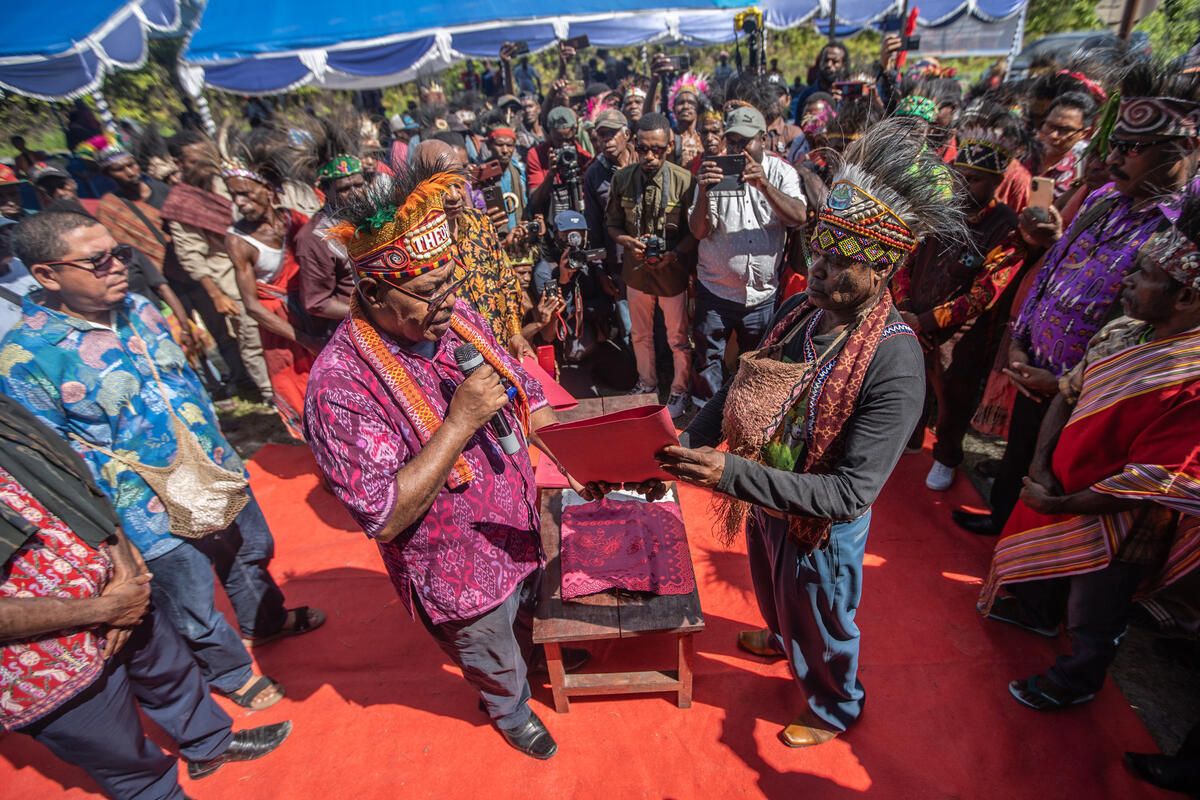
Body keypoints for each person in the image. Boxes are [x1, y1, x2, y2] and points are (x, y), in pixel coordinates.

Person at [657, 118, 964, 748]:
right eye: (820, 253)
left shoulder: (896, 362)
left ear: (882, 273)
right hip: (771, 494)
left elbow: (851, 494)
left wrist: (733, 474)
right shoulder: (802, 309)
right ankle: (778, 637)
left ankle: (835, 703)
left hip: (821, 522)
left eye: (841, 263)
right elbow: (745, 383)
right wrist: (690, 437)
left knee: (822, 610)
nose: (820, 271)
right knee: (775, 587)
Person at [305, 160, 619, 759]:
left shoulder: (453, 315)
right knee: (488, 645)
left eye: (452, 282)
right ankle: (508, 706)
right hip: (457, 569)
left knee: (530, 604)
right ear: (370, 292)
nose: (450, 302)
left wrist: (580, 458)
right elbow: (385, 515)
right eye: (428, 293)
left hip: (518, 522)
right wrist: (460, 423)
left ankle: (533, 649)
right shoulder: (337, 387)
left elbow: (524, 393)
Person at [0, 211, 324, 713]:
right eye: (98, 260)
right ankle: (229, 670)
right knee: (188, 593)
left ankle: (265, 620)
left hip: (213, 466)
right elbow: (52, 457)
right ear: (47, 275)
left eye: (120, 253)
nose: (117, 266)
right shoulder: (24, 358)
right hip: (141, 502)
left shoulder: (141, 309)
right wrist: (108, 531)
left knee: (249, 550)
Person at [0, 393, 292, 799]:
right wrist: (103, 608)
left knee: (169, 674)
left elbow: (73, 478)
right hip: (43, 655)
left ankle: (209, 745)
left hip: (119, 589)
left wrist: (123, 565)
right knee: (119, 754)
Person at [978, 186, 1200, 712]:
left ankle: (1078, 677)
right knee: (1055, 569)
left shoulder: (1190, 375)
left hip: (1124, 520)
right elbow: (1068, 393)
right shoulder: (1123, 330)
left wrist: (1061, 500)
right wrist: (1040, 466)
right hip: (1063, 486)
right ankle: (1036, 610)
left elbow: (1160, 478)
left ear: (1187, 297)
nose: (1125, 280)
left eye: (1143, 275)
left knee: (1096, 609)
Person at [953, 66, 1200, 537]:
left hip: (1093, 392)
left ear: (1182, 149)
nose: (1113, 156)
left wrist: (1065, 380)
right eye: (1115, 143)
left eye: (1132, 148)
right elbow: (1051, 269)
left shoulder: (1181, 226)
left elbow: (1154, 328)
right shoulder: (1104, 197)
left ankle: (1030, 575)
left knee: (1060, 482)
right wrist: (1019, 341)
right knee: (1018, 462)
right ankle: (1002, 531)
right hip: (1034, 367)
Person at [891, 127, 1023, 491]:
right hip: (910, 319)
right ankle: (910, 439)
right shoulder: (940, 209)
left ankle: (947, 457)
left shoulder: (1006, 227)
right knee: (907, 385)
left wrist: (926, 320)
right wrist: (903, 306)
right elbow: (906, 260)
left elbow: (986, 293)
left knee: (953, 399)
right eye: (959, 177)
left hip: (959, 335)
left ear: (996, 181)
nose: (964, 186)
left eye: (975, 179)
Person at [690, 105, 806, 406]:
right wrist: (703, 192)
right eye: (734, 142)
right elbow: (698, 231)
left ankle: (747, 414)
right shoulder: (713, 170)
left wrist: (764, 185)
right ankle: (707, 418)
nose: (739, 149)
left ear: (763, 139)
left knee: (756, 362)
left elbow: (799, 216)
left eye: (746, 142)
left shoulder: (781, 173)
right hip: (715, 290)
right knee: (707, 361)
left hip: (760, 296)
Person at [221, 132, 322, 440]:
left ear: (267, 190)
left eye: (246, 193)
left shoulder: (294, 220)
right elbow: (251, 305)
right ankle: (323, 453)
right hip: (279, 329)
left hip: (310, 314)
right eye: (234, 195)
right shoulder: (238, 241)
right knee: (299, 391)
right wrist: (301, 337)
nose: (240, 202)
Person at [162, 129, 273, 403]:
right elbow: (191, 255)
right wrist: (216, 295)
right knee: (253, 340)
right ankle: (273, 395)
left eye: (206, 156)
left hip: (270, 272)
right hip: (232, 283)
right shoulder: (183, 204)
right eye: (196, 159)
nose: (205, 164)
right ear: (180, 163)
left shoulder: (232, 182)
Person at [605, 113, 697, 417]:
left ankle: (680, 391)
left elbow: (694, 233)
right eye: (643, 149)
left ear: (669, 146)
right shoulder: (622, 179)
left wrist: (675, 254)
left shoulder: (684, 180)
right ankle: (647, 384)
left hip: (671, 274)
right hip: (636, 272)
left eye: (657, 149)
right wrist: (627, 242)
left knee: (678, 339)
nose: (649, 156)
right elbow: (613, 225)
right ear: (634, 145)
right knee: (640, 335)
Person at [415, 140, 535, 360]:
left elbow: (506, 280)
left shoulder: (480, 223)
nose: (453, 195)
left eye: (457, 183)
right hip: (459, 361)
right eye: (440, 186)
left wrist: (515, 334)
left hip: (502, 349)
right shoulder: (418, 243)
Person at [295, 118, 367, 338]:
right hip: (356, 331)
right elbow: (317, 302)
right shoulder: (313, 238)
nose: (355, 194)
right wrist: (370, 314)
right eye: (345, 188)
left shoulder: (371, 214)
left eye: (359, 185)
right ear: (325, 190)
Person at [526, 106, 593, 218]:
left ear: (574, 133)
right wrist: (551, 175)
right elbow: (534, 202)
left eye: (568, 140)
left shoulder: (583, 156)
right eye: (558, 140)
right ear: (549, 133)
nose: (564, 146)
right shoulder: (536, 155)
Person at [791, 42, 849, 120]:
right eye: (826, 60)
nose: (829, 64)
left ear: (843, 65)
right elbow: (798, 127)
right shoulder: (807, 95)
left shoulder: (849, 97)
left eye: (835, 61)